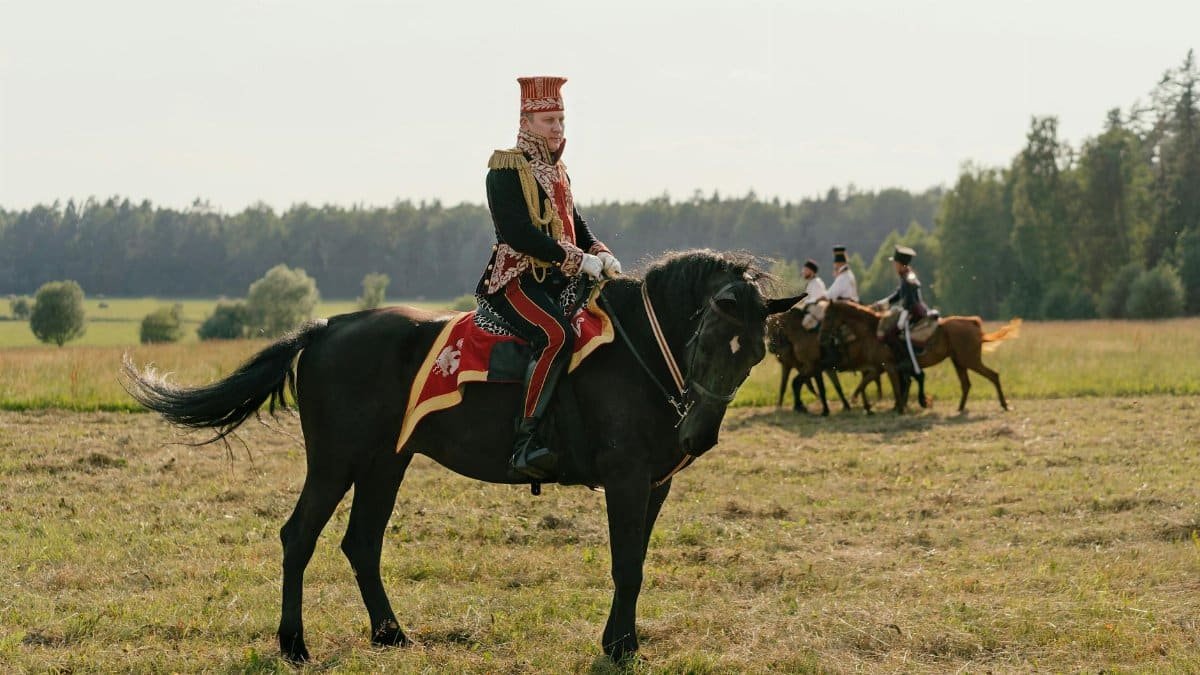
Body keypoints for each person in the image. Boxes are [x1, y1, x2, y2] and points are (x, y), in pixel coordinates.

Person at [475, 76, 619, 480]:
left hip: (563, 280)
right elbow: (519, 233)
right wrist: (574, 259)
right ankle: (526, 441)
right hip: (519, 279)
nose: (558, 128)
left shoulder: (560, 172)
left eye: (561, 119)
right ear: (526, 121)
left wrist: (600, 252)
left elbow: (576, 223)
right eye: (549, 120)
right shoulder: (505, 169)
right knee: (556, 336)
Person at [871, 245, 927, 372]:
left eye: (895, 263)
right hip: (909, 310)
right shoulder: (905, 275)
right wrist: (881, 303)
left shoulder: (908, 276)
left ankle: (907, 360)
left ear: (901, 264)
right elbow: (898, 294)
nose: (894, 266)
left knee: (892, 333)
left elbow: (909, 298)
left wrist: (902, 312)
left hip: (913, 311)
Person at [798, 259, 827, 330]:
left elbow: (816, 300)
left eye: (805, 270)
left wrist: (802, 303)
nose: (803, 272)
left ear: (811, 271)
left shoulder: (817, 283)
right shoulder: (811, 282)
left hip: (815, 314)